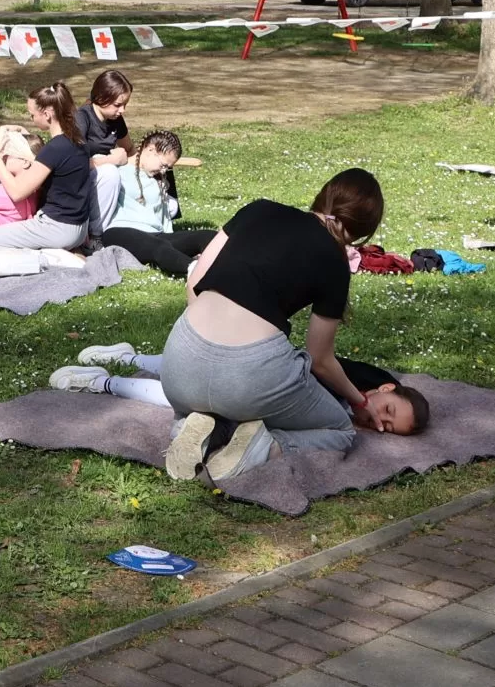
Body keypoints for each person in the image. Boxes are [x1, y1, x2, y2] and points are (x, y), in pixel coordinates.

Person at [134, 169, 394, 484]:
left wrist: (208, 354)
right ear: (363, 231)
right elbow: (321, 359)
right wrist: (360, 401)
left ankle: (196, 424)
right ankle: (262, 446)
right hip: (251, 375)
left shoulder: (257, 209)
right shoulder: (336, 263)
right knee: (339, 430)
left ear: (323, 194)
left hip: (179, 363)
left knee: (217, 396)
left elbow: (194, 283)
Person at [60, 349, 429, 441]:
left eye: (389, 428)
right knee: (187, 367)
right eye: (389, 410)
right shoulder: (358, 380)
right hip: (267, 372)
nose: (381, 421)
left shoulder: (343, 425)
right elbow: (313, 363)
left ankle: (103, 382)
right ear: (386, 389)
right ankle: (128, 356)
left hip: (257, 399)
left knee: (185, 398)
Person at [0, 82, 96, 250]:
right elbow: (54, 161)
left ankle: (49, 259)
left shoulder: (54, 149)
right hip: (79, 230)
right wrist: (21, 130)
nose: (31, 119)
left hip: (57, 229)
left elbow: (17, 193)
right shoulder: (78, 141)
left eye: (32, 115)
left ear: (47, 114)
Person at [91, 130, 217, 278]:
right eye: (163, 165)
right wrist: (113, 159)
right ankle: (196, 271)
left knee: (208, 236)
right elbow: (90, 164)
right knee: (160, 247)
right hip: (121, 230)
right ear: (150, 150)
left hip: (155, 233)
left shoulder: (158, 179)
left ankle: (230, 261)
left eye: (167, 167)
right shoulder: (116, 168)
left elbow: (165, 215)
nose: (164, 170)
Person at [73, 70, 135, 165]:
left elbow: (129, 149)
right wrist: (110, 160)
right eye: (117, 105)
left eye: (125, 104)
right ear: (101, 98)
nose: (122, 110)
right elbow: (73, 162)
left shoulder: (116, 119)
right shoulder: (82, 118)